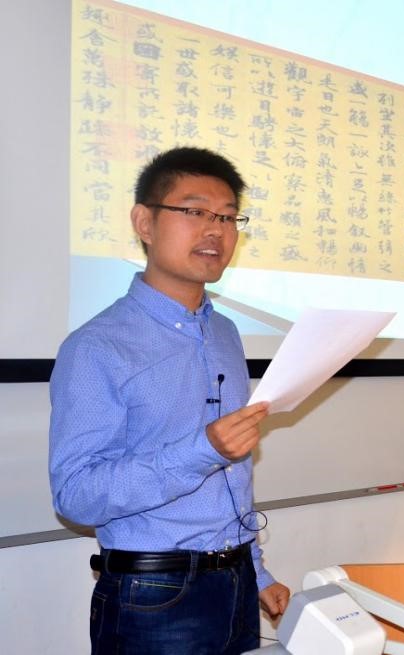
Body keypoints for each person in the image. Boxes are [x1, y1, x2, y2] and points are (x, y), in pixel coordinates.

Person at [49, 146, 290, 654]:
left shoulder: (225, 333)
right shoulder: (97, 346)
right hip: (154, 593)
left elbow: (232, 477)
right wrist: (202, 450)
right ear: (145, 222)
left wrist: (256, 571)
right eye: (195, 211)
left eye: (227, 217)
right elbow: (76, 495)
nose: (215, 230)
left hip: (236, 582)